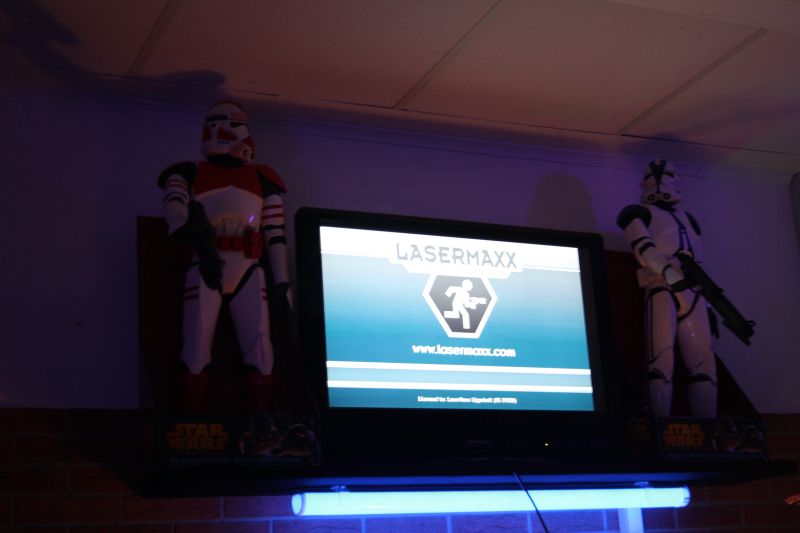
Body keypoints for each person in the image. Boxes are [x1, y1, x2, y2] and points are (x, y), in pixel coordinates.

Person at [158, 100, 291, 414]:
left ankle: (261, 425)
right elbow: (174, 204)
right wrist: (180, 224)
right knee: (196, 347)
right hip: (206, 263)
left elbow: (275, 233)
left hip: (248, 265)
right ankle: (191, 425)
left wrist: (283, 282)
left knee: (261, 350)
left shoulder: (263, 177)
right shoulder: (188, 172)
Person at [616, 160, 717, 418]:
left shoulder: (688, 219)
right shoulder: (638, 213)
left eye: (668, 175)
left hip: (693, 290)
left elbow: (699, 261)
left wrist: (708, 302)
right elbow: (645, 250)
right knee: (661, 363)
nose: (662, 181)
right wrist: (670, 274)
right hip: (662, 285)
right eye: (655, 176)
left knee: (704, 368)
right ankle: (659, 428)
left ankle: (708, 432)